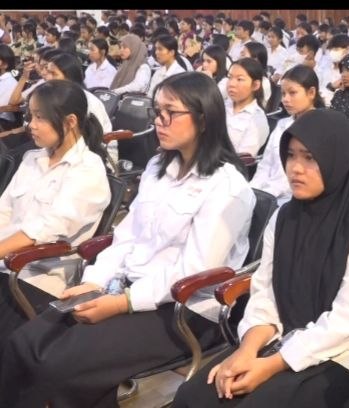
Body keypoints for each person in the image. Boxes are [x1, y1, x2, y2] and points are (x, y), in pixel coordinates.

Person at [0, 72, 256, 407]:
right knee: (25, 342)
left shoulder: (227, 187)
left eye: (170, 113)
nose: (159, 121)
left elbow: (193, 270)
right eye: (157, 111)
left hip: (182, 309)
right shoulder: (158, 167)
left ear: (204, 119)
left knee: (63, 365)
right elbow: (125, 237)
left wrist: (123, 303)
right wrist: (94, 282)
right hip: (124, 287)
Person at [173, 108, 349, 408]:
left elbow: (348, 322)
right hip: (286, 335)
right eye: (291, 156)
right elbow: (265, 291)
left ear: (337, 160)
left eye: (310, 158)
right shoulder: (284, 217)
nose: (295, 168)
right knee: (192, 397)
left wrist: (271, 365)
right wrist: (246, 350)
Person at [0, 80, 110, 351]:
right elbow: (5, 210)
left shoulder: (88, 171)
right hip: (5, 261)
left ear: (70, 121)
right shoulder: (32, 158)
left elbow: (44, 231)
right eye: (30, 116)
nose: (31, 125)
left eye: (40, 117)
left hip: (35, 276)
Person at [250, 65, 324, 206]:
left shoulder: (321, 127)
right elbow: (266, 164)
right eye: (283, 94)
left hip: (294, 199)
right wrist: (253, 190)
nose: (285, 99)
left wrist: (268, 194)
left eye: (292, 93)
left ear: (311, 92)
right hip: (267, 194)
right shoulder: (282, 125)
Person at [225, 58, 269, 156]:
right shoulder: (221, 106)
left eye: (239, 79)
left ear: (255, 85)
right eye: (229, 77)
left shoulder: (257, 120)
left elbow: (243, 159)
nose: (231, 84)